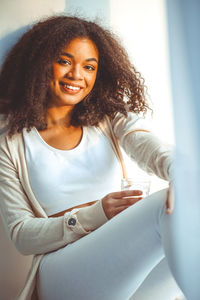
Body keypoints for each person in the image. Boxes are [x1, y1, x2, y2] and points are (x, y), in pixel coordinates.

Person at [0, 15, 178, 300]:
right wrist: (96, 213)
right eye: (64, 61)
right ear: (40, 62)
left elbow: (150, 148)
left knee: (183, 210)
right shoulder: (10, 142)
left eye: (89, 66)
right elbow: (22, 235)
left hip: (117, 261)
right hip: (59, 269)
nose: (76, 75)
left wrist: (181, 173)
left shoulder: (109, 119)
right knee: (164, 208)